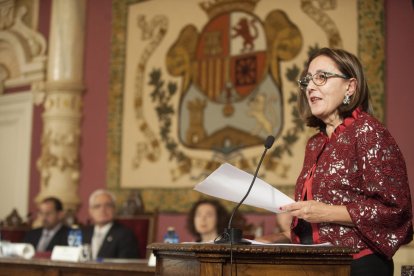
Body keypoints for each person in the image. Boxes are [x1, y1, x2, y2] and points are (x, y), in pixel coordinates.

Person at [273, 47, 413, 276]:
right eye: (307, 80)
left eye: (321, 77)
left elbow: (395, 211)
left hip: (357, 265)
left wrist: (326, 212)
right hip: (314, 265)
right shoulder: (315, 143)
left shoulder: (368, 131)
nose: (310, 86)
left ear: (350, 86)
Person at [82, 189, 139, 259]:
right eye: (97, 206)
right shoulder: (83, 233)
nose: (102, 210)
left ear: (114, 209)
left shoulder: (125, 235)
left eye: (108, 205)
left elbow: (126, 265)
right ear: (90, 211)